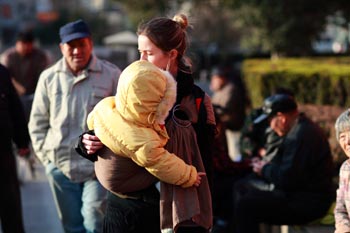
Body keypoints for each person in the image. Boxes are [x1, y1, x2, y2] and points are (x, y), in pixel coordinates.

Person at [79, 14, 216, 233]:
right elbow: (108, 124)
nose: (141, 60)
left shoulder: (196, 100)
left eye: (149, 53)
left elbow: (206, 160)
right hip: (125, 211)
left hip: (175, 215)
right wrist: (87, 143)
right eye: (139, 52)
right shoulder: (133, 83)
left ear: (171, 55)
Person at [28, 19, 121, 233]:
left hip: (96, 170)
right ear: (62, 48)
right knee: (71, 227)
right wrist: (48, 160)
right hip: (61, 169)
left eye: (82, 44)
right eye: (72, 46)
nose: (77, 51)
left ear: (91, 43)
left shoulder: (112, 75)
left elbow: (123, 121)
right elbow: (37, 123)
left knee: (94, 224)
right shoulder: (49, 78)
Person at [232, 94, 334, 233]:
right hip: (302, 195)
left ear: (282, 117)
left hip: (308, 202)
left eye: (270, 121)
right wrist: (265, 166)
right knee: (243, 188)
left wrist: (264, 169)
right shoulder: (300, 129)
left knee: (245, 206)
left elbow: (287, 178)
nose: (271, 126)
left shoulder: (300, 135)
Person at [0, 64, 30, 233]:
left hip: (3, 153)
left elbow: (15, 109)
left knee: (10, 209)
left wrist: (22, 142)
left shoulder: (2, 72)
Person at [0, 29, 51, 121]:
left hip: (35, 95)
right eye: (23, 44)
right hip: (13, 96)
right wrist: (18, 88)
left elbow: (45, 75)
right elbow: (5, 76)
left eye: (29, 44)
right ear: (17, 43)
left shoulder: (40, 56)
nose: (26, 47)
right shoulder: (8, 57)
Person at [210, 66, 246, 162]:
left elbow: (225, 108)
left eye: (215, 79)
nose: (213, 81)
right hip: (224, 127)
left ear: (222, 78)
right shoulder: (222, 89)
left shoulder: (231, 89)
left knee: (235, 152)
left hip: (233, 126)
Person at [334, 109, 350, 233]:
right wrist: (343, 227)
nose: (347, 142)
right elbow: (340, 208)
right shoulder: (345, 168)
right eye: (342, 137)